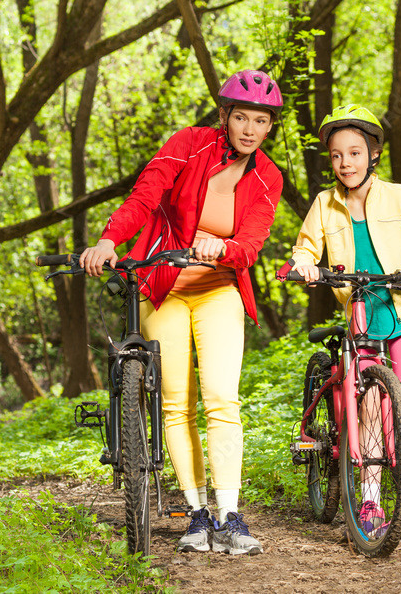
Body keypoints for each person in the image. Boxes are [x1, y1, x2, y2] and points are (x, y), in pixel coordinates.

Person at [79, 70, 285, 555]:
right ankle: (195, 514)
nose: (250, 129)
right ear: (224, 117)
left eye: (260, 120)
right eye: (241, 117)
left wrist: (224, 247)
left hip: (218, 290)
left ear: (270, 126)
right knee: (176, 401)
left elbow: (251, 245)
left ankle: (229, 515)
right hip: (163, 286)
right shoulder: (189, 144)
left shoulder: (267, 176)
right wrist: (110, 240)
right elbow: (146, 195)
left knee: (221, 397)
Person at [290, 104, 401, 542]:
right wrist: (304, 264)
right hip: (361, 313)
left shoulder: (397, 194)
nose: (346, 163)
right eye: (337, 156)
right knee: (368, 407)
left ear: (373, 153)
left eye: (355, 153)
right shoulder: (324, 204)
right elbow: (306, 248)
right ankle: (372, 499)